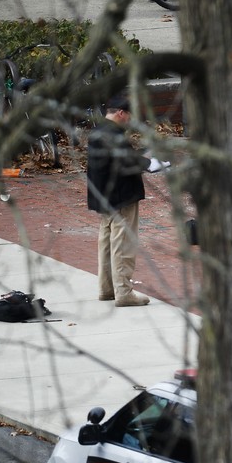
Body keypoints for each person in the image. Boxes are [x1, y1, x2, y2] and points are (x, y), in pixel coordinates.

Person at [87, 94, 151, 307]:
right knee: (122, 244)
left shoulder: (98, 131)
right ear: (122, 113)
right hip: (121, 196)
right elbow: (127, 160)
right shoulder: (114, 134)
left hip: (103, 196)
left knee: (106, 242)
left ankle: (107, 288)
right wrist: (149, 162)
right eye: (129, 116)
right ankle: (124, 291)